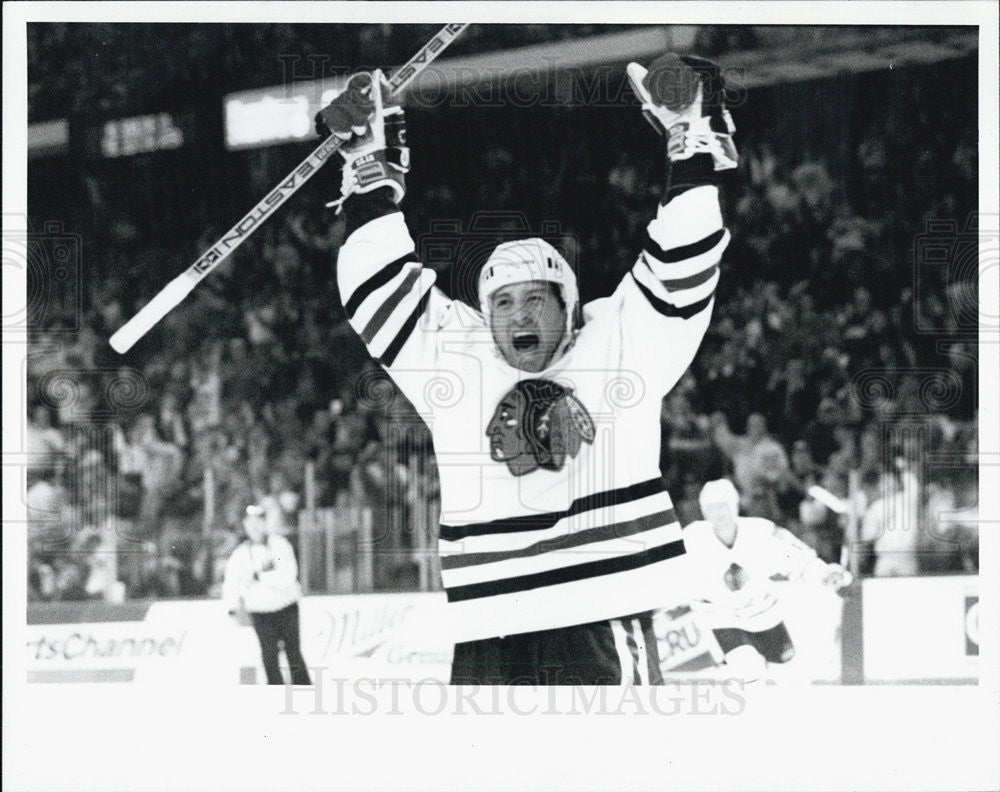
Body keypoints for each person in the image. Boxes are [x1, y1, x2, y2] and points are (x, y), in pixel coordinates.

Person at [316, 53, 737, 684]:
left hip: (602, 611)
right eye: (503, 301)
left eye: (537, 296)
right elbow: (376, 287)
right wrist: (369, 172)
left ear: (569, 307)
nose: (520, 312)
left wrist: (692, 147)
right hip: (488, 626)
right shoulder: (457, 363)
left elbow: (682, 260)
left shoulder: (620, 344)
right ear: (484, 315)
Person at [682, 479, 851, 682]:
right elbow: (673, 575)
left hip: (764, 614)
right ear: (703, 511)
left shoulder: (761, 533)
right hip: (721, 618)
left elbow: (797, 560)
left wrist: (825, 573)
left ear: (736, 505)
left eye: (724, 505)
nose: (719, 513)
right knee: (746, 668)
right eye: (712, 508)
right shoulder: (691, 539)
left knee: (786, 675)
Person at [222, 504, 311, 685]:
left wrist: (259, 577)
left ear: (265, 523)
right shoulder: (240, 556)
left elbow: (287, 573)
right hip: (260, 612)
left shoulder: (279, 546)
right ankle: (276, 697)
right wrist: (231, 607)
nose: (255, 526)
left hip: (286, 607)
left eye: (259, 521)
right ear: (245, 525)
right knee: (269, 657)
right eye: (250, 522)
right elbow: (231, 582)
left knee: (294, 653)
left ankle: (305, 693)